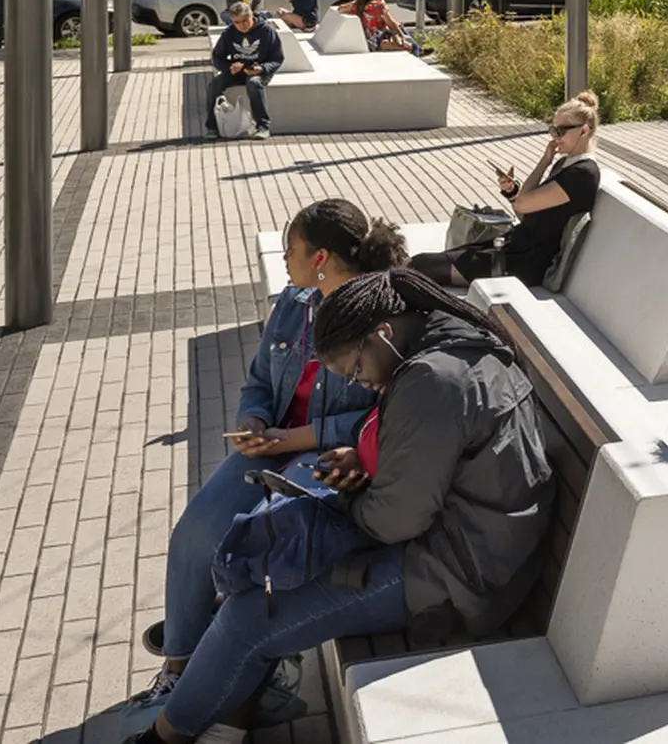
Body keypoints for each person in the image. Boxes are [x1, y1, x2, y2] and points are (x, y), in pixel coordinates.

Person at [112, 269, 554, 744]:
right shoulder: (444, 342)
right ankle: (221, 721)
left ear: (381, 333)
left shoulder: (432, 379)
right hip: (460, 541)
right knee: (261, 578)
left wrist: (341, 504)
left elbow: (394, 518)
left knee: (249, 614)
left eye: (357, 372)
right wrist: (359, 464)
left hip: (458, 576)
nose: (363, 385)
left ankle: (161, 740)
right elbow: (429, 462)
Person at [135, 201, 406, 704]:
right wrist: (253, 420)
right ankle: (177, 664)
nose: (283, 259)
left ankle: (256, 674)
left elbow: (383, 417)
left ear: (320, 256)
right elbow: (260, 380)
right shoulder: (294, 302)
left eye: (291, 250)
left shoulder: (380, 317)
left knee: (261, 539)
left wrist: (294, 440)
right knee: (196, 532)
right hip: (274, 441)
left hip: (327, 455)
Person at [411, 91, 603, 288]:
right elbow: (523, 213)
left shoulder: (583, 174)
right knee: (422, 263)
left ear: (584, 130)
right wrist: (527, 178)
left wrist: (535, 175)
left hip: (524, 264)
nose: (555, 137)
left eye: (561, 131)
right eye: (553, 130)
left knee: (421, 267)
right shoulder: (565, 164)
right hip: (513, 247)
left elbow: (523, 204)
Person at [206, 2, 282, 141]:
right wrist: (229, 67)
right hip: (237, 71)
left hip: (259, 71)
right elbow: (217, 58)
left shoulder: (266, 31)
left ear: (251, 16)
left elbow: (277, 58)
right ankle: (212, 126)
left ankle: (262, 126)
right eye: (237, 22)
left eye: (245, 20)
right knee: (215, 84)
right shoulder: (229, 33)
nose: (242, 25)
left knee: (254, 83)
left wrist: (262, 68)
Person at [338, 0, 410, 53]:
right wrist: (401, 35)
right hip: (380, 37)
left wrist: (355, 2)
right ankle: (412, 48)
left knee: (392, 37)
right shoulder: (379, 6)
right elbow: (392, 23)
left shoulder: (356, 5)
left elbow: (340, 9)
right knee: (398, 33)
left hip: (369, 40)